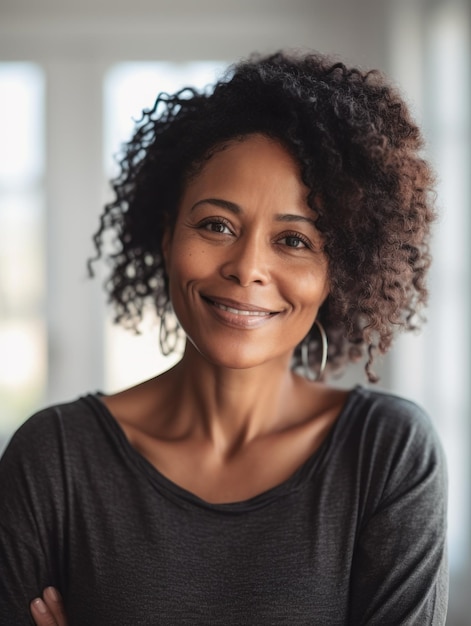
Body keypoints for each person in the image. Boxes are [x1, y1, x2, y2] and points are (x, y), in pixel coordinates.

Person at [0, 51, 447, 625]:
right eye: (217, 225)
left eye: (295, 240)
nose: (247, 267)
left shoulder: (387, 455)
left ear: (342, 270)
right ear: (167, 236)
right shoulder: (53, 459)